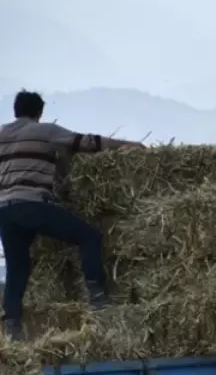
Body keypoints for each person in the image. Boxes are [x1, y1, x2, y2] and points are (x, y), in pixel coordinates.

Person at [0, 90, 145, 340]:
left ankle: (11, 326)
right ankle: (98, 300)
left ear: (15, 110)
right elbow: (88, 143)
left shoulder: (2, 134)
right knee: (89, 237)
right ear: (39, 113)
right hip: (32, 205)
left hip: (4, 211)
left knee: (17, 267)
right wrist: (127, 145)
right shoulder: (45, 131)